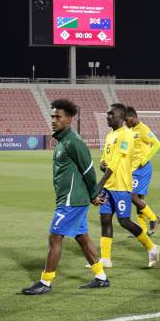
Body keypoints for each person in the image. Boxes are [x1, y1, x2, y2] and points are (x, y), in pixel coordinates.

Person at [21, 99, 108, 295]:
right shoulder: (63, 140)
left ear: (68, 119)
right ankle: (101, 277)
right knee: (82, 238)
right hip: (69, 199)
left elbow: (88, 170)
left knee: (55, 237)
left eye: (57, 117)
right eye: (52, 116)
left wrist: (94, 194)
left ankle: (46, 282)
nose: (53, 120)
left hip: (71, 201)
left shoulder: (73, 141)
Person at [96, 103, 160, 268]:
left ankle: (152, 248)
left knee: (124, 221)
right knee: (105, 219)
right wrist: (102, 163)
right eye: (107, 113)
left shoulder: (126, 135)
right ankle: (105, 259)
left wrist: (100, 183)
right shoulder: (111, 134)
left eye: (111, 114)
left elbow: (117, 161)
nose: (107, 116)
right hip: (108, 185)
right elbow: (106, 156)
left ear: (121, 117)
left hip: (121, 185)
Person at [125, 106, 160, 235]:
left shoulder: (143, 129)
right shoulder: (130, 130)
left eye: (126, 120)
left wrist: (144, 159)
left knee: (132, 196)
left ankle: (154, 218)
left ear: (133, 117)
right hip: (132, 168)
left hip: (142, 169)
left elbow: (157, 143)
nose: (125, 123)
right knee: (139, 200)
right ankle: (142, 230)